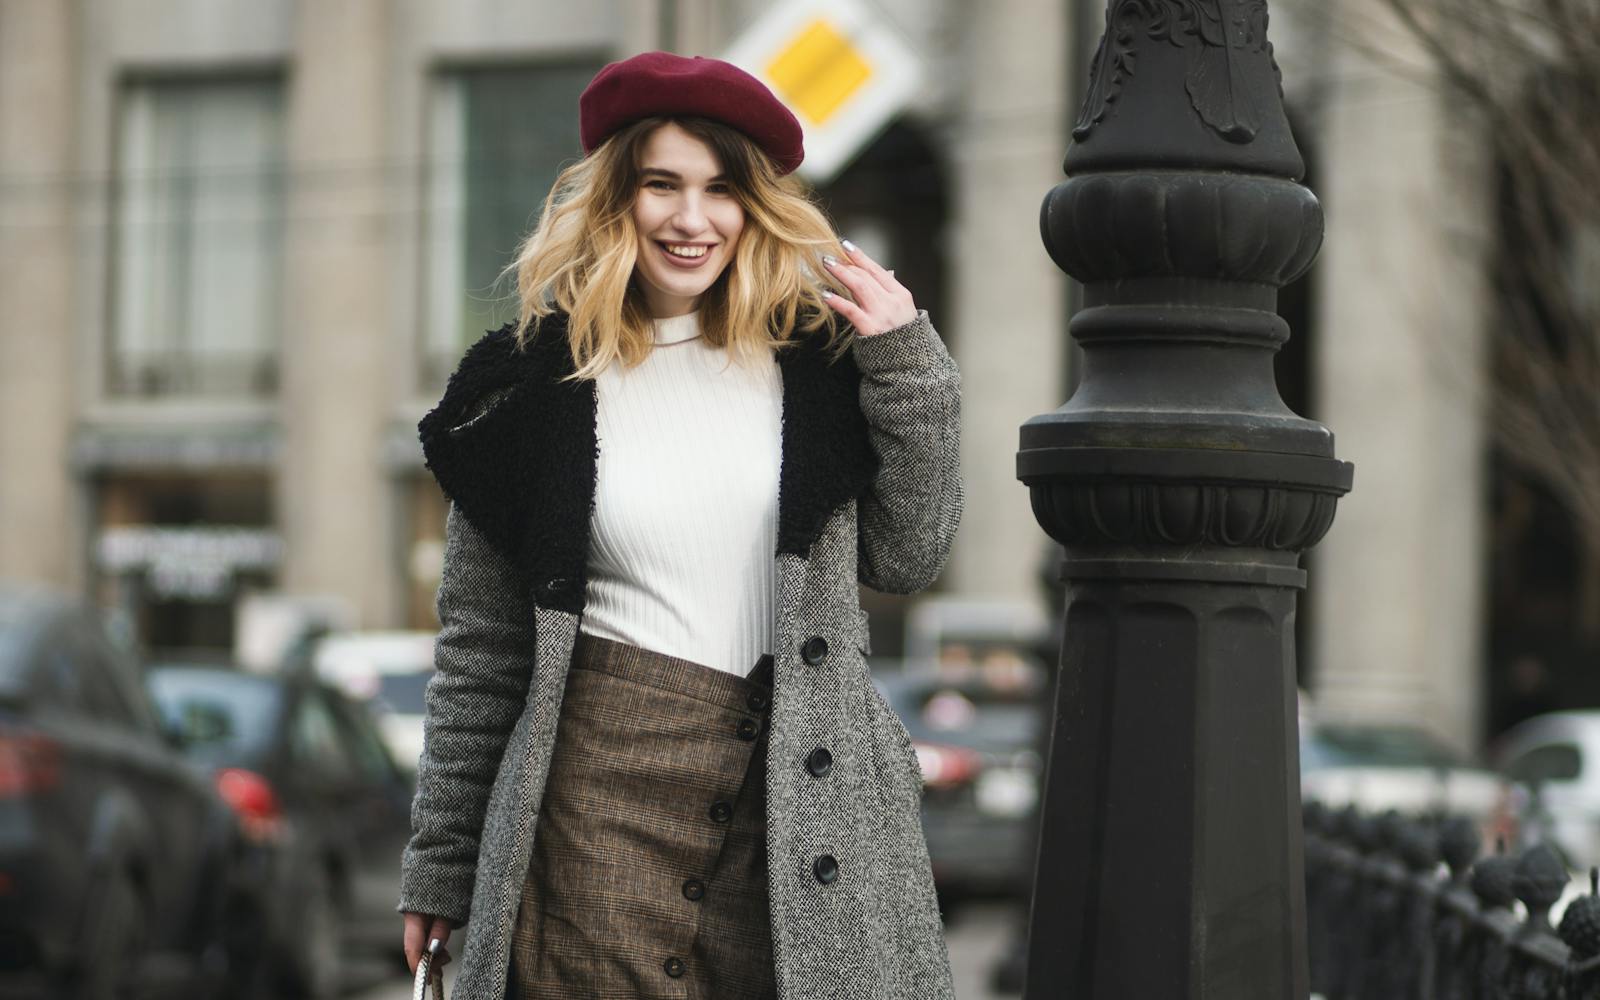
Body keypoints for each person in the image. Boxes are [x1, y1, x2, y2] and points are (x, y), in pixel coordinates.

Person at [397, 51, 963, 1000]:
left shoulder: (820, 371)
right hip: (588, 816)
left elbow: (909, 555)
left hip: (797, 812)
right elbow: (482, 656)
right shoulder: (529, 389)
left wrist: (910, 368)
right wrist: (440, 867)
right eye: (662, 185)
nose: (691, 220)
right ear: (618, 196)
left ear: (755, 207)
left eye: (720, 190)